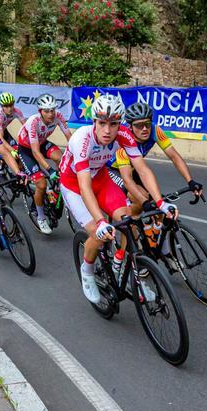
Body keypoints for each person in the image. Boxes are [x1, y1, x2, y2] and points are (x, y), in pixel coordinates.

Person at [62, 94, 175, 304]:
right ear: (94, 121)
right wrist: (101, 220)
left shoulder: (124, 134)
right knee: (98, 233)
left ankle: (125, 269)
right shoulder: (82, 139)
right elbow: (84, 185)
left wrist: (160, 202)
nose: (107, 130)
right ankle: (87, 272)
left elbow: (142, 169)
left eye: (113, 124)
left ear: (120, 123)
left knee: (129, 224)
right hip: (74, 186)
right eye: (102, 123)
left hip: (102, 180)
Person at [110, 101, 203, 208]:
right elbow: (127, 179)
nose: (144, 128)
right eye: (139, 125)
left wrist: (190, 181)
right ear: (130, 127)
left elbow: (174, 156)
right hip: (114, 169)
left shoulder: (155, 130)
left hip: (134, 167)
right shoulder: (124, 141)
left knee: (156, 202)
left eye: (147, 124)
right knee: (141, 197)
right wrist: (143, 202)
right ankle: (131, 222)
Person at [15, 94, 73, 234]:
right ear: (40, 111)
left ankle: (59, 184)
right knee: (41, 184)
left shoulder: (58, 116)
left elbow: (70, 138)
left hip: (42, 143)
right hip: (27, 149)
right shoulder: (33, 122)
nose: (51, 114)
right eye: (47, 111)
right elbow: (35, 152)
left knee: (61, 157)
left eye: (52, 110)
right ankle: (40, 217)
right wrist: (49, 170)